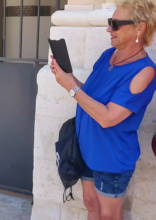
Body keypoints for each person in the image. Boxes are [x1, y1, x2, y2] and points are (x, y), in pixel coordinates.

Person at [50, 0, 156, 219]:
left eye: (115, 24)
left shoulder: (144, 72)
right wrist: (67, 77)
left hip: (111, 159)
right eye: (110, 22)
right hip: (87, 149)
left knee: (108, 215)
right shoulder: (108, 55)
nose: (109, 29)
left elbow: (108, 118)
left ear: (140, 28)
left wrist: (70, 87)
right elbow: (88, 95)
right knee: (91, 205)